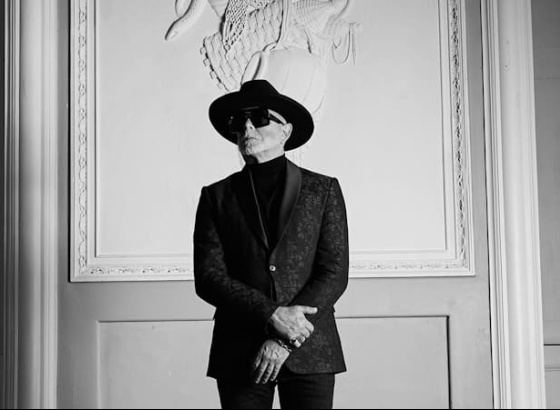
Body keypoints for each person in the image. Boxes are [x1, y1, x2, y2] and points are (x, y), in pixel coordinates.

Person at [193, 79, 349, 409]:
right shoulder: (216, 196)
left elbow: (333, 272)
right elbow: (208, 277)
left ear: (286, 131)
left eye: (260, 117)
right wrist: (272, 315)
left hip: (310, 349)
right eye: (239, 121)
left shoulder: (323, 190)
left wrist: (284, 338)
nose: (247, 127)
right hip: (239, 348)